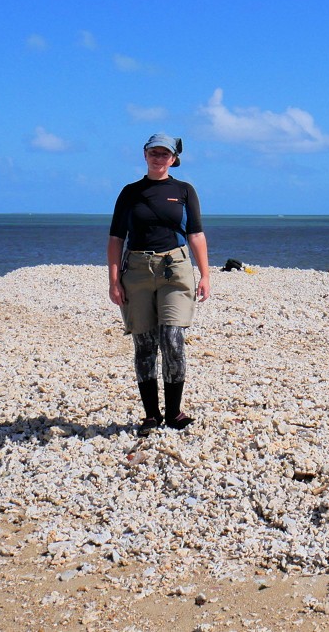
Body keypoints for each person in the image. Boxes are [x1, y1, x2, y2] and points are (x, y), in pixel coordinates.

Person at [107, 133, 211, 436]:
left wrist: (205, 274)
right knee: (145, 344)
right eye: (154, 152)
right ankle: (151, 415)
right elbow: (115, 238)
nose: (158, 158)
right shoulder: (130, 192)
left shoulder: (184, 190)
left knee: (173, 338)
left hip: (175, 269)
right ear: (144, 155)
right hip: (137, 270)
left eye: (164, 153)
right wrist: (114, 281)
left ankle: (174, 413)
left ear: (174, 159)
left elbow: (196, 234)